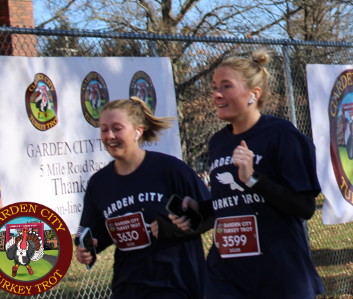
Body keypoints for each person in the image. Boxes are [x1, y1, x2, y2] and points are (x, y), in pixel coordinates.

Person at [174, 50, 324, 299]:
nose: (217, 94)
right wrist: (199, 208)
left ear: (254, 94)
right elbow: (231, 203)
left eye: (226, 86)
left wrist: (254, 179)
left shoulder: (282, 135)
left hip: (277, 273)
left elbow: (305, 208)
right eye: (214, 87)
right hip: (225, 275)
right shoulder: (218, 142)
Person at [75, 98, 211, 298]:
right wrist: (86, 250)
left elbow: (211, 213)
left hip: (176, 285)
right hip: (128, 287)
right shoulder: (99, 183)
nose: (109, 136)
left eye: (117, 128)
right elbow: (91, 234)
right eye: (104, 130)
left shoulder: (170, 170)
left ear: (138, 131)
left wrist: (173, 227)